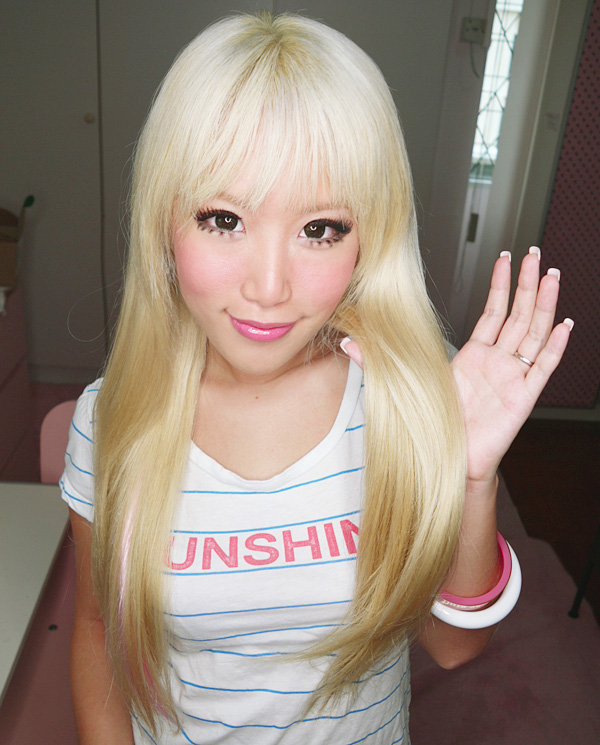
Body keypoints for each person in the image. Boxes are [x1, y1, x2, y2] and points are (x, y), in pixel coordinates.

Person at [60, 12, 572, 745]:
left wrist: (463, 478)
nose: (269, 287)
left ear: (369, 240)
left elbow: (455, 645)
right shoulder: (111, 419)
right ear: (163, 223)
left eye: (319, 229)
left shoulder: (394, 402)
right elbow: (95, 629)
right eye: (224, 219)